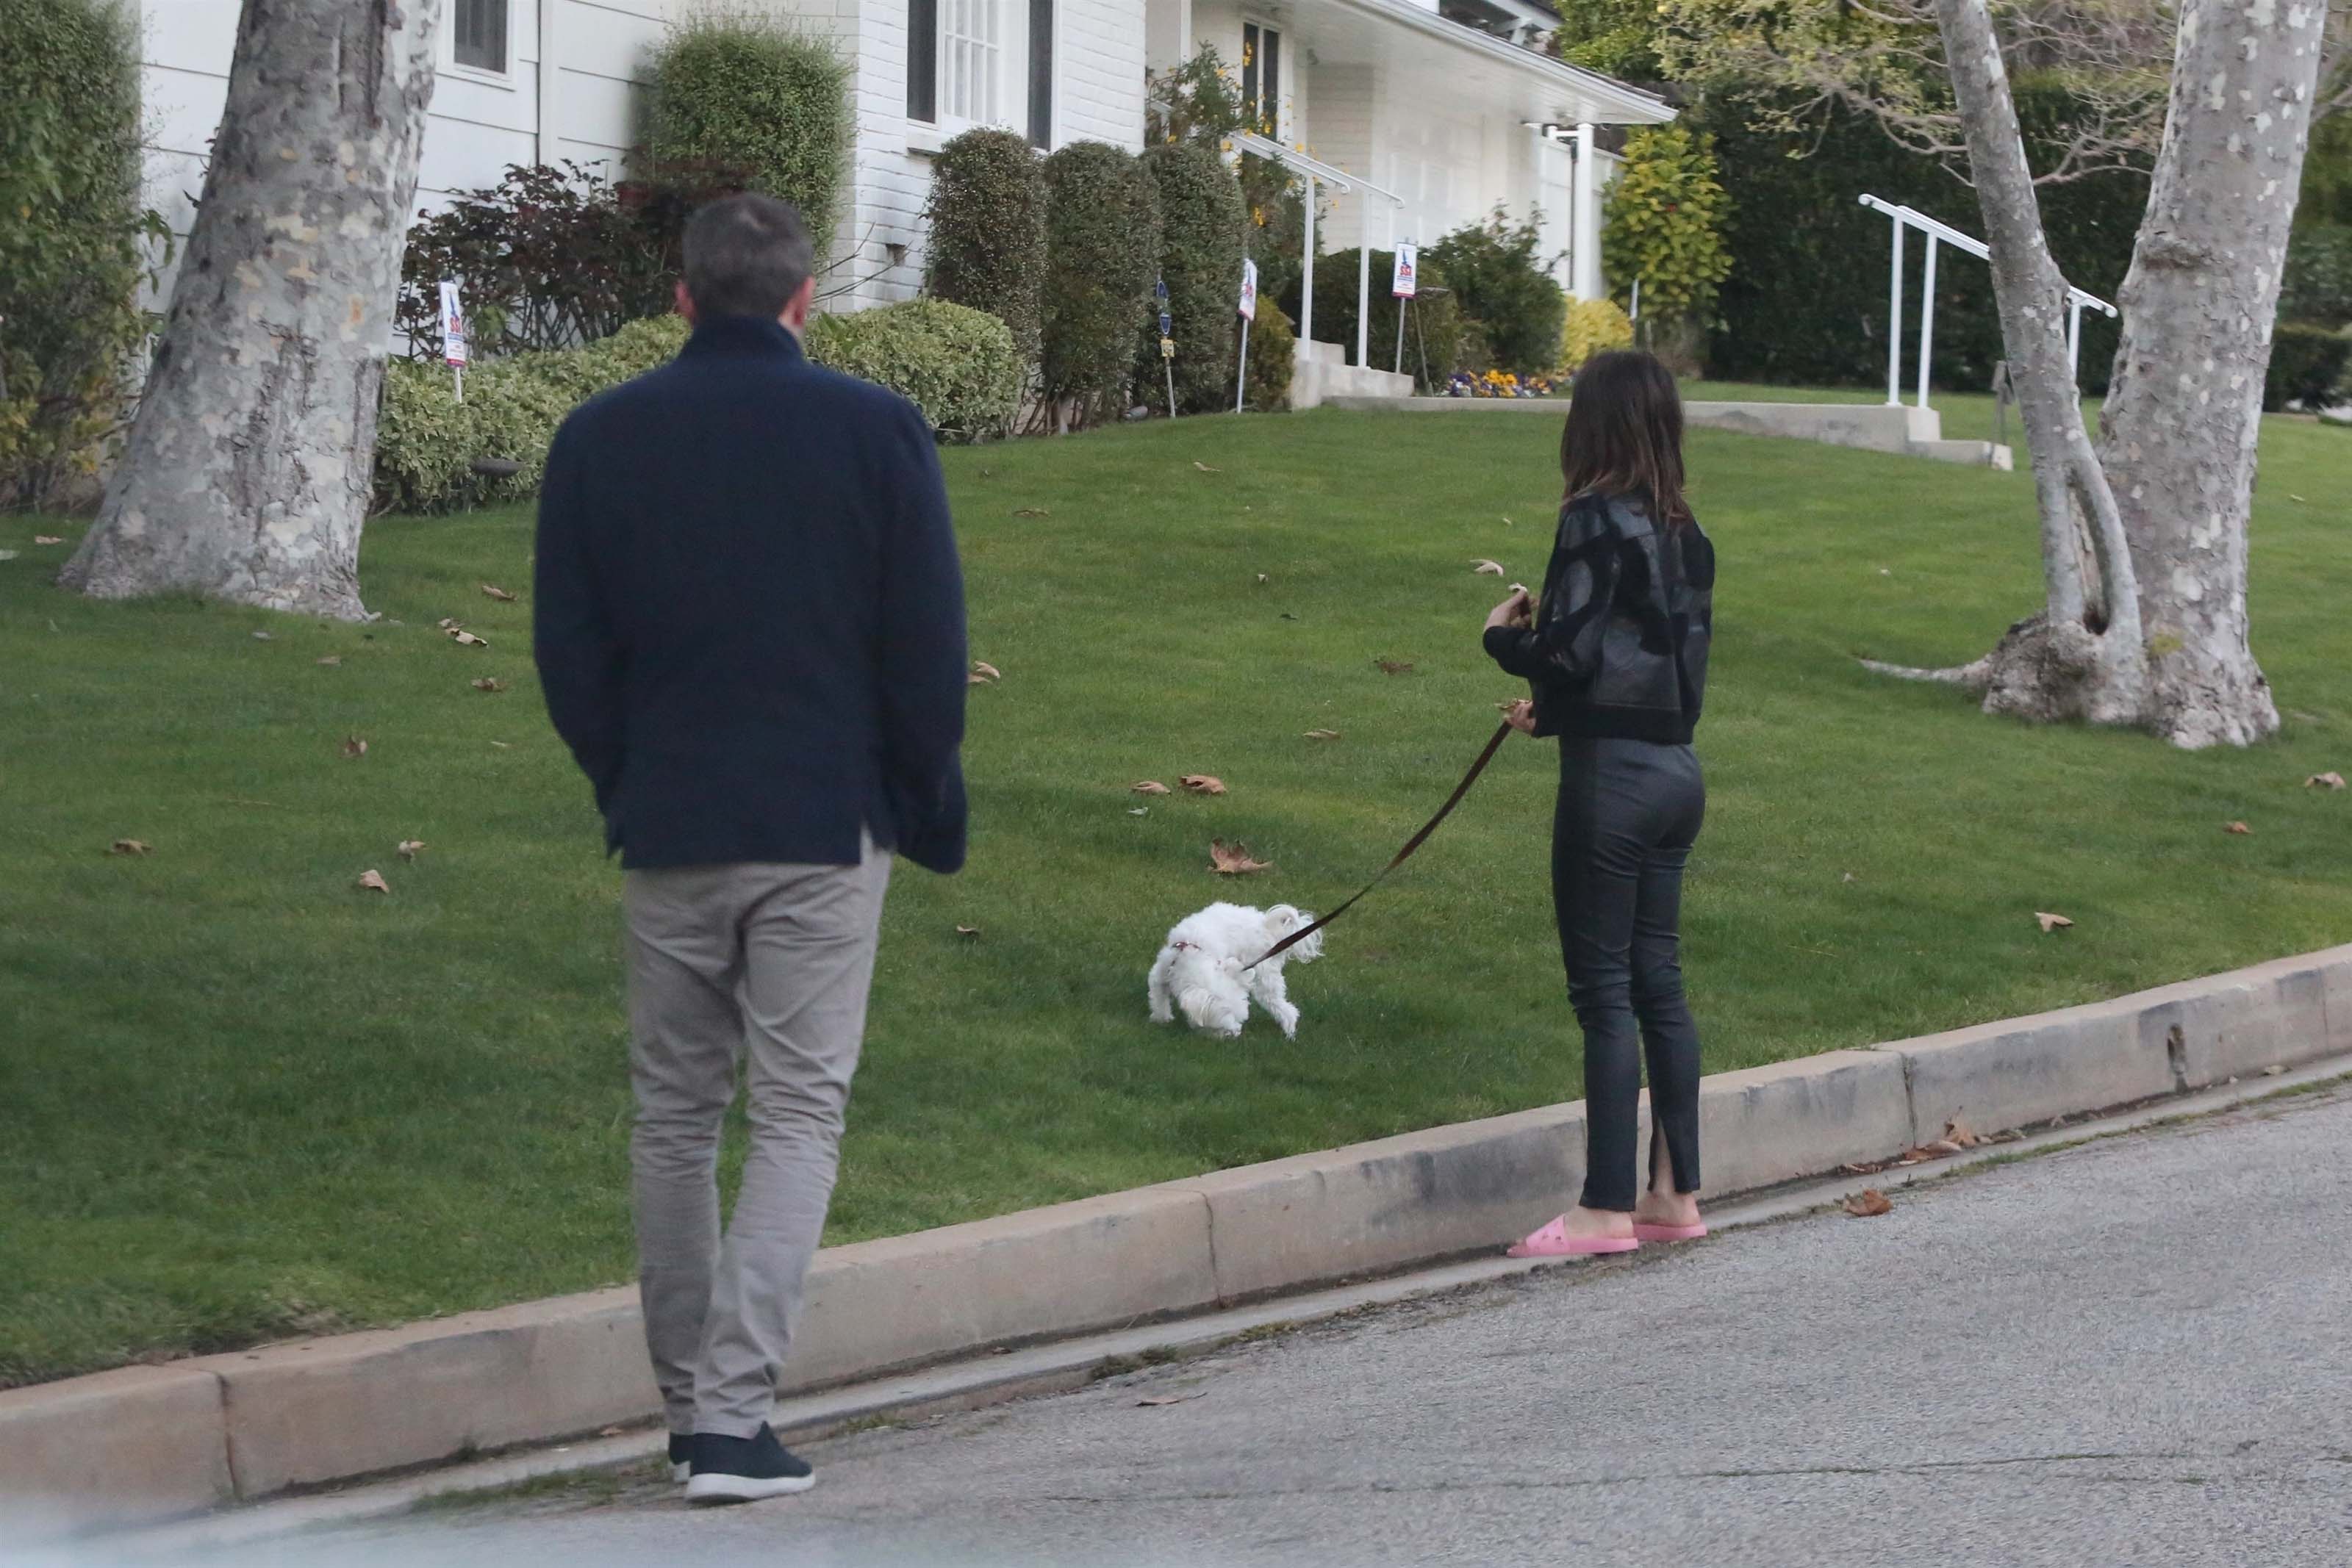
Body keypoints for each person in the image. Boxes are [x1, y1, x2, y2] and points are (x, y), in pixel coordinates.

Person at [533, 193, 968, 1503]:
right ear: (804, 296)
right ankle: (729, 1419)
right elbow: (925, 649)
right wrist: (916, 792)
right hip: (823, 818)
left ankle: (691, 1410)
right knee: (795, 1109)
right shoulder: (876, 428)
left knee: (673, 1114)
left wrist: (624, 772)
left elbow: (571, 650)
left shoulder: (600, 436)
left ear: (680, 299)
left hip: (670, 818)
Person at [1479, 350, 1715, 1259]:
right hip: (1675, 772)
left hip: (1610, 787)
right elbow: (1652, 670)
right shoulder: (1687, 535)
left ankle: (1602, 1207)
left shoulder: (1590, 518)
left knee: (1603, 992)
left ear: (1592, 423)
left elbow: (1569, 650)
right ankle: (1673, 1192)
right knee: (1660, 982)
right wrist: (1556, 716)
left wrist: (1503, 640)